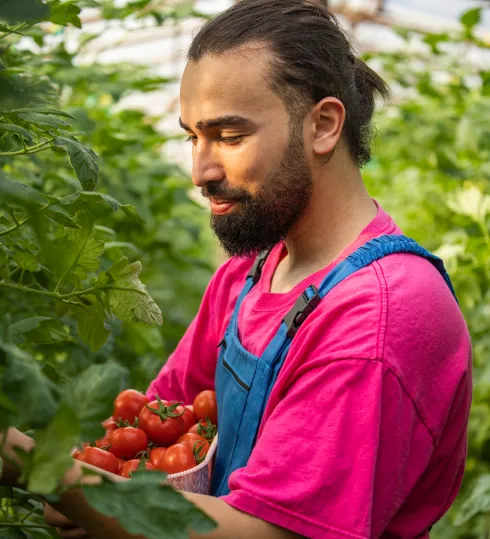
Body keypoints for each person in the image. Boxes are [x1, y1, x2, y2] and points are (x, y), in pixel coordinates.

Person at [2, 1, 472, 538]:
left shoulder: (380, 317)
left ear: (323, 125)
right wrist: (99, 492)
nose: (200, 171)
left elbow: (271, 533)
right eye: (192, 137)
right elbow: (165, 427)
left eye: (228, 137)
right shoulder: (250, 274)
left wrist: (46, 469)